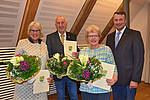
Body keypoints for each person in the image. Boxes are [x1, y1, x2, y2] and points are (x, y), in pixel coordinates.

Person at [106, 11, 144, 100]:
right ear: (113, 21)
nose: (118, 22)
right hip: (114, 79)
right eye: (116, 20)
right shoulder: (109, 37)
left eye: (120, 20)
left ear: (125, 20)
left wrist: (135, 79)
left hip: (129, 80)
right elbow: (108, 57)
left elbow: (139, 58)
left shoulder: (135, 34)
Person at [13, 21, 52, 100]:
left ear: (40, 32)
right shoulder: (22, 43)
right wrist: (26, 78)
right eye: (32, 30)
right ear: (29, 31)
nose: (35, 33)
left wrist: (49, 76)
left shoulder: (44, 45)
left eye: (37, 30)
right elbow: (15, 63)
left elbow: (47, 63)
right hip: (25, 85)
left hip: (40, 84)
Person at [79, 25, 118, 100]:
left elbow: (114, 68)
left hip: (102, 90)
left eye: (95, 35)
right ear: (87, 38)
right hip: (86, 89)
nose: (93, 38)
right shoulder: (83, 51)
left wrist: (114, 79)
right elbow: (80, 71)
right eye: (90, 36)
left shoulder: (106, 50)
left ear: (99, 37)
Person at [46, 16, 78, 100]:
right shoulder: (50, 37)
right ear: (55, 25)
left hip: (71, 72)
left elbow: (76, 50)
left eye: (62, 22)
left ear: (66, 24)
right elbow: (49, 55)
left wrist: (77, 54)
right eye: (58, 23)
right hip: (58, 74)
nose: (60, 25)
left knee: (74, 95)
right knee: (61, 95)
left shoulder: (73, 36)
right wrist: (53, 70)